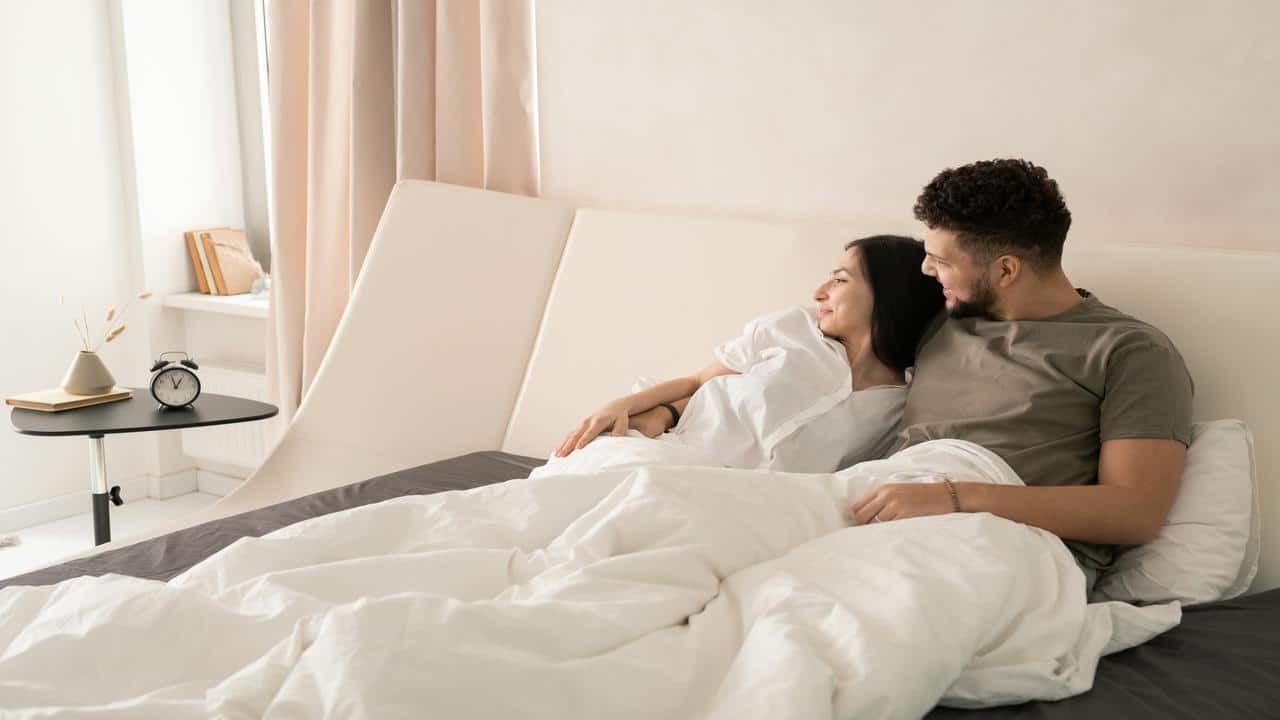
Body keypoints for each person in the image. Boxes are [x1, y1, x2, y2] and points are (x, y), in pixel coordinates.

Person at [850, 159, 1194, 593]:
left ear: (1005, 270)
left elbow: (1134, 511)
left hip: (1006, 551)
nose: (926, 270)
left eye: (940, 260)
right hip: (881, 516)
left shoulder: (1130, 351)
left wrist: (954, 498)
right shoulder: (943, 317)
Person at [543, 236, 944, 476]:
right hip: (670, 451)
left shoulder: (903, 406)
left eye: (839, 280)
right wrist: (622, 406)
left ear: (889, 296)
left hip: (745, 499)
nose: (819, 292)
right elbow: (698, 381)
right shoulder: (792, 328)